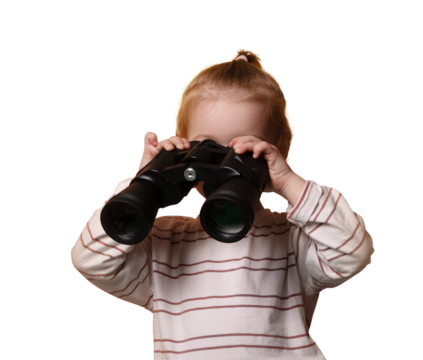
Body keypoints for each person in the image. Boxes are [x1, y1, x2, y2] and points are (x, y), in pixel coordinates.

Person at [70, 47, 375, 359]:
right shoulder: (162, 243)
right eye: (205, 146)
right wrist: (142, 183)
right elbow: (90, 261)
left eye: (241, 150)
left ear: (279, 153)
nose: (220, 163)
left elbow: (353, 252)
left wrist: (290, 183)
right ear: (183, 146)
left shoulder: (294, 238)